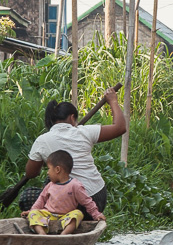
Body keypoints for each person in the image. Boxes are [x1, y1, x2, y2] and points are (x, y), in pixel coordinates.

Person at [23, 86, 125, 217]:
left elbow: (31, 173)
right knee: (52, 179)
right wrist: (113, 101)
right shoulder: (84, 131)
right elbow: (120, 127)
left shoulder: (42, 141)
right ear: (72, 118)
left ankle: (51, 222)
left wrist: (44, 161)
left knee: (29, 196)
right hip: (97, 198)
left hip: (70, 203)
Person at [24, 150, 104, 235]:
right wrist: (31, 211)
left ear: (57, 169)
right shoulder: (50, 185)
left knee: (78, 214)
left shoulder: (75, 185)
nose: (47, 172)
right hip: (48, 215)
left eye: (49, 169)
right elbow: (41, 200)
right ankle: (41, 233)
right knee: (33, 213)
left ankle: (64, 234)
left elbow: (87, 202)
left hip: (66, 217)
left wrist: (96, 214)